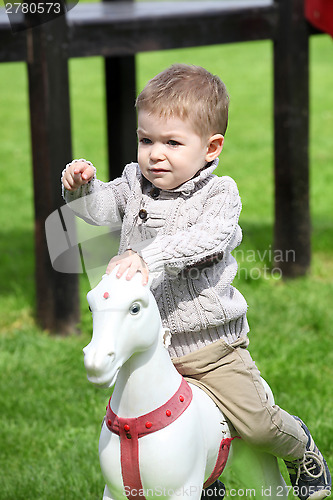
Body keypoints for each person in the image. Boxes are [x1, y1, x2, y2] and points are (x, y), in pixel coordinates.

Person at [61, 64, 331, 500]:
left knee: (257, 426)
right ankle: (203, 478)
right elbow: (99, 213)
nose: (154, 154)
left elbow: (205, 240)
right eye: (145, 140)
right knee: (141, 428)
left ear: (211, 147)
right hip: (152, 349)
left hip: (211, 349)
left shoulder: (220, 195)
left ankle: (299, 447)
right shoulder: (133, 184)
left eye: (171, 143)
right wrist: (81, 190)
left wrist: (149, 259)